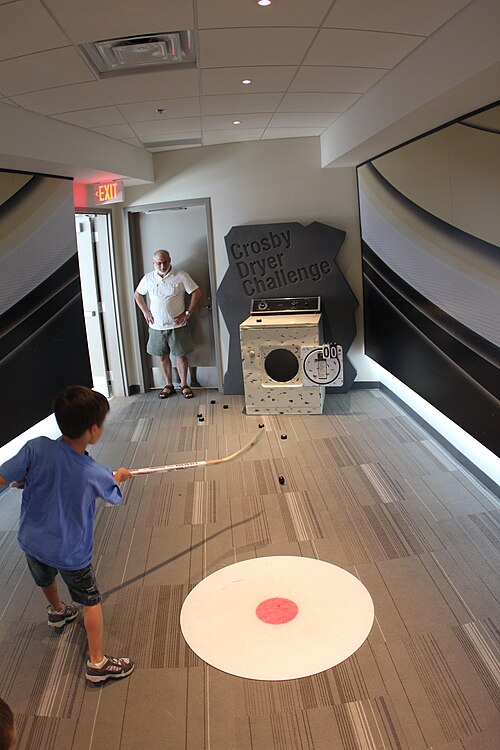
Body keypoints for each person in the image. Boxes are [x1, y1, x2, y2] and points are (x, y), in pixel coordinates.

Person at [0, 386, 134, 685]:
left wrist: (24, 478)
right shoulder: (94, 471)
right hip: (72, 552)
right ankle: (97, 663)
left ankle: (58, 611)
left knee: (45, 578)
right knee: (91, 600)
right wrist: (119, 476)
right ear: (93, 430)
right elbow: (113, 496)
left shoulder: (36, 448)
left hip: (32, 541)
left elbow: (4, 476)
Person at [134, 249, 202, 399]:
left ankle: (184, 384)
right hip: (156, 327)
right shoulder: (148, 278)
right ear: (153, 263)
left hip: (177, 326)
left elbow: (197, 292)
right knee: (162, 356)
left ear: (170, 260)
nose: (162, 265)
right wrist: (145, 311)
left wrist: (187, 314)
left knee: (181, 356)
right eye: (159, 263)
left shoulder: (181, 275)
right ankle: (168, 385)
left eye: (165, 262)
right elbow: (137, 294)